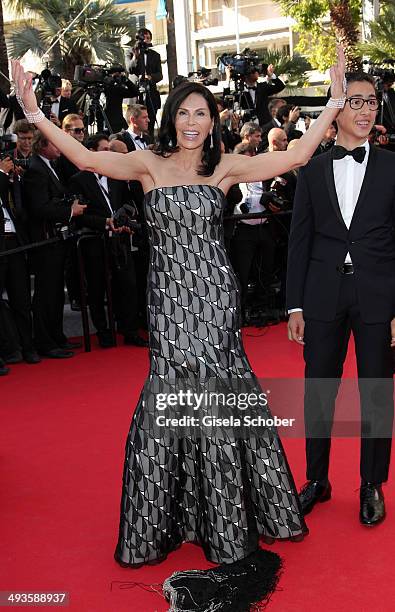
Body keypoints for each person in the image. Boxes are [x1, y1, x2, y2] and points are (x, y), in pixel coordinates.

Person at [12, 48, 345, 608]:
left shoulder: (225, 168)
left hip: (214, 300)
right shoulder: (148, 165)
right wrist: (37, 113)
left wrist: (333, 101)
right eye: (186, 113)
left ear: (213, 122)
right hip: (168, 303)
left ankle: (227, 521)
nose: (194, 122)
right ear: (172, 119)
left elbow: (296, 157)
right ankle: (181, 515)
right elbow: (85, 159)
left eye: (203, 114)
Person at [287, 72, 395, 527]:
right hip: (322, 294)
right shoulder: (311, 169)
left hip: (378, 296)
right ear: (336, 110)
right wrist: (294, 305)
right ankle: (317, 480)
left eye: (372, 102)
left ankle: (371, 484)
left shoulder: (393, 167)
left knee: (375, 393)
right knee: (319, 391)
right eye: (356, 102)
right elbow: (299, 240)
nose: (367, 111)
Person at [125, 28, 162, 139]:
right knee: (134, 121)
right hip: (135, 93)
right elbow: (129, 69)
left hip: (150, 93)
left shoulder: (155, 55)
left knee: (149, 122)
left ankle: (149, 143)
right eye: (144, 38)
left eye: (148, 38)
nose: (146, 40)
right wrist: (136, 56)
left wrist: (150, 77)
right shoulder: (130, 52)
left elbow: (160, 75)